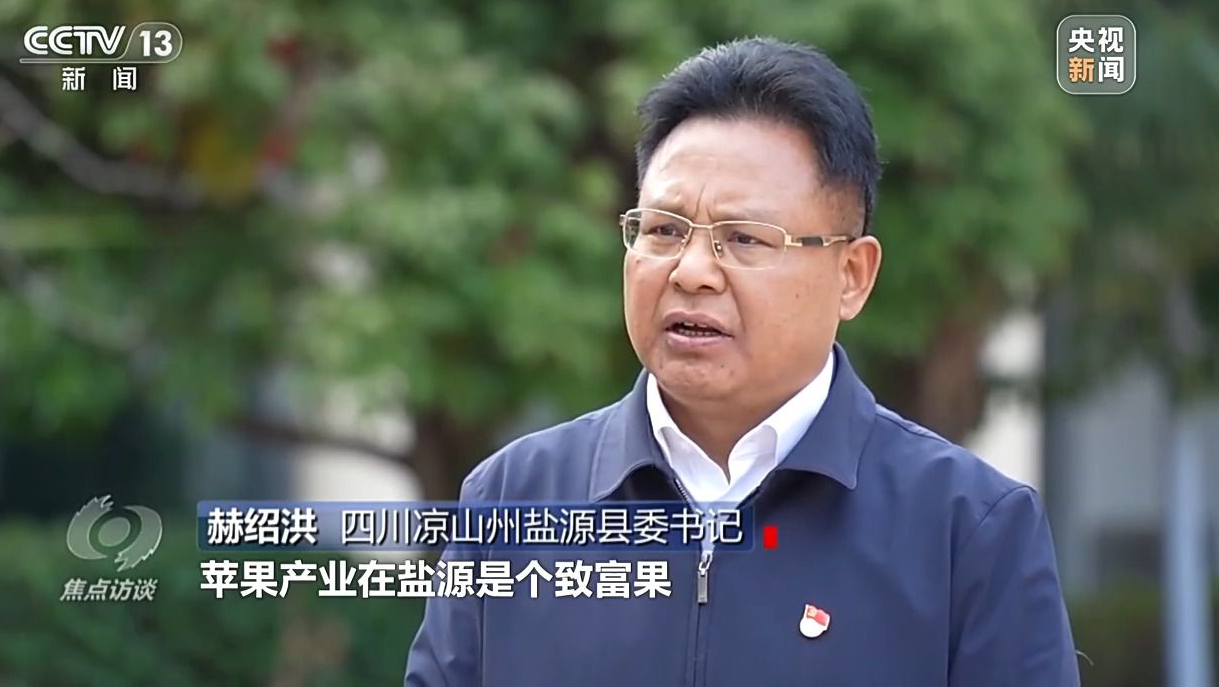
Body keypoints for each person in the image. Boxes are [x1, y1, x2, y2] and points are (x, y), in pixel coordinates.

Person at [404, 37, 1080, 687]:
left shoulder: (970, 530)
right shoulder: (510, 502)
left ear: (852, 275)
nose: (692, 271)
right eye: (663, 230)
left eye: (745, 238)